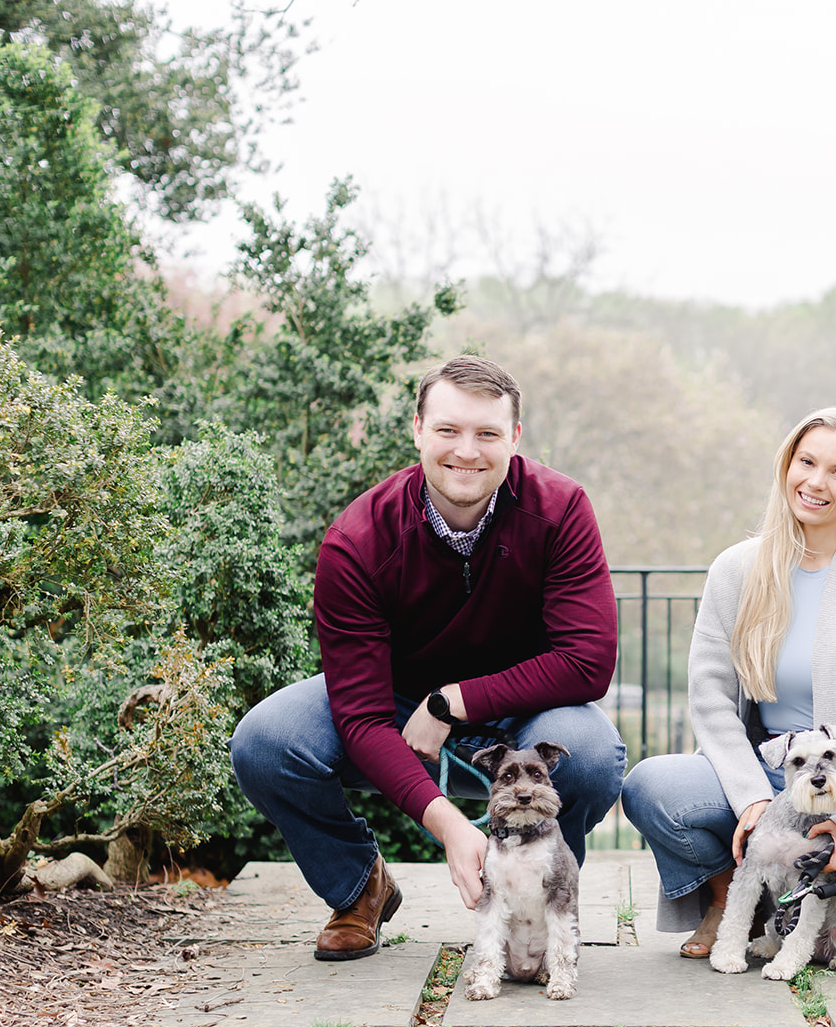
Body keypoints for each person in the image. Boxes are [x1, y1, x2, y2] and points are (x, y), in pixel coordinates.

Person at [231, 355, 627, 962]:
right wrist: (446, 824)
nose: (467, 451)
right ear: (417, 429)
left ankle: (544, 908)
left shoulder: (561, 509)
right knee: (266, 741)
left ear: (514, 439)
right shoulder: (358, 539)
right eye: (447, 430)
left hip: (529, 710)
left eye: (487, 434)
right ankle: (358, 886)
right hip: (396, 702)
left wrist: (455, 700)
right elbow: (361, 715)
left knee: (593, 754)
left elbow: (588, 662)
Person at [621, 406, 836, 963]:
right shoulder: (736, 569)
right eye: (806, 462)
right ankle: (732, 903)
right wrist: (753, 797)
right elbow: (709, 697)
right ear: (787, 465)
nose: (816, 482)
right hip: (769, 767)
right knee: (650, 787)